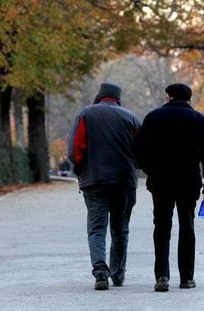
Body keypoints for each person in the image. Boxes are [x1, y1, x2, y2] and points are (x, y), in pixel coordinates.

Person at [136, 83, 204, 292]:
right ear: (189, 99)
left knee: (162, 227)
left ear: (168, 97)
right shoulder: (198, 119)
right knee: (187, 226)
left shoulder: (154, 117)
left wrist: (150, 170)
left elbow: (139, 151)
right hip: (188, 181)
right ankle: (186, 278)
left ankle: (162, 276)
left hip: (161, 181)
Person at [68, 83, 141, 290]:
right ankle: (118, 275)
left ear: (99, 96)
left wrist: (81, 169)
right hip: (124, 182)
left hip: (95, 181)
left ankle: (100, 273)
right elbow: (140, 152)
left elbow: (76, 149)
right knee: (120, 229)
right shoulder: (131, 118)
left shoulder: (86, 114)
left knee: (97, 228)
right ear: (118, 98)